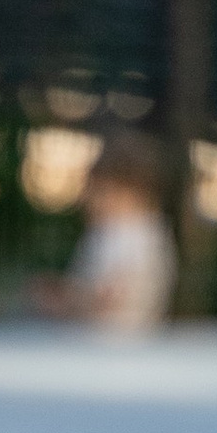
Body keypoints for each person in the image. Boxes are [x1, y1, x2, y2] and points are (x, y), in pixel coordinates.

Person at [64, 133, 178, 333]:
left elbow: (109, 299)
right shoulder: (109, 232)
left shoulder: (135, 234)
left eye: (100, 189)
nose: (90, 198)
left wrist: (64, 298)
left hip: (117, 348)